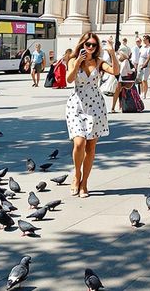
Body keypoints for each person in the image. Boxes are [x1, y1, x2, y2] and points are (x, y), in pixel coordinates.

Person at [65, 32, 118, 197]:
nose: (90, 47)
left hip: (95, 105)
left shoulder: (99, 62)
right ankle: (76, 175)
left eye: (93, 45)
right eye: (87, 44)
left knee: (91, 147)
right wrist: (77, 63)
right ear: (82, 44)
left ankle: (84, 183)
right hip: (77, 104)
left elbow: (115, 71)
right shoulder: (74, 60)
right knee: (79, 143)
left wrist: (112, 53)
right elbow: (69, 79)